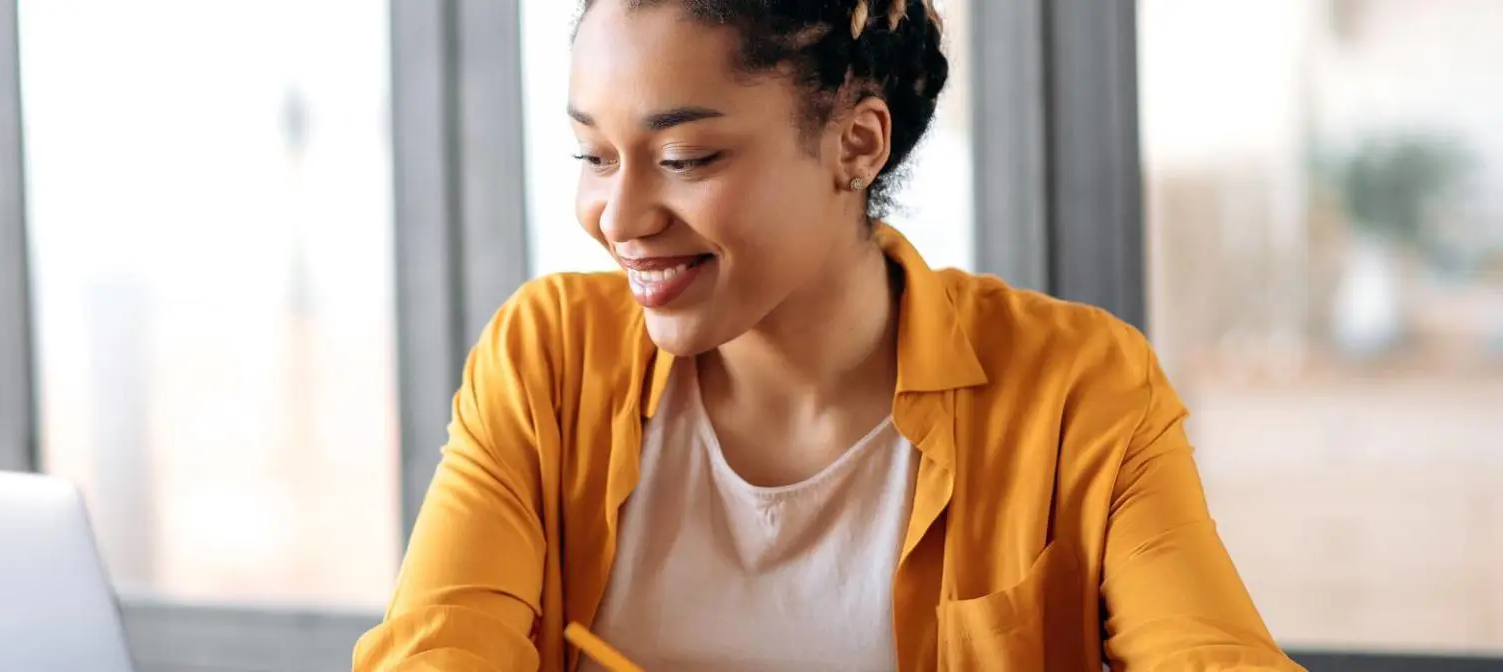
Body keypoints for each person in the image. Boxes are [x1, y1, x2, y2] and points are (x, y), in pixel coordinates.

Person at [355, 1, 1301, 670]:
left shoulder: (1078, 389)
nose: (620, 216)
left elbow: (1207, 655)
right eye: (594, 156)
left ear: (857, 142)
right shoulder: (547, 359)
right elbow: (438, 648)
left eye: (685, 157)